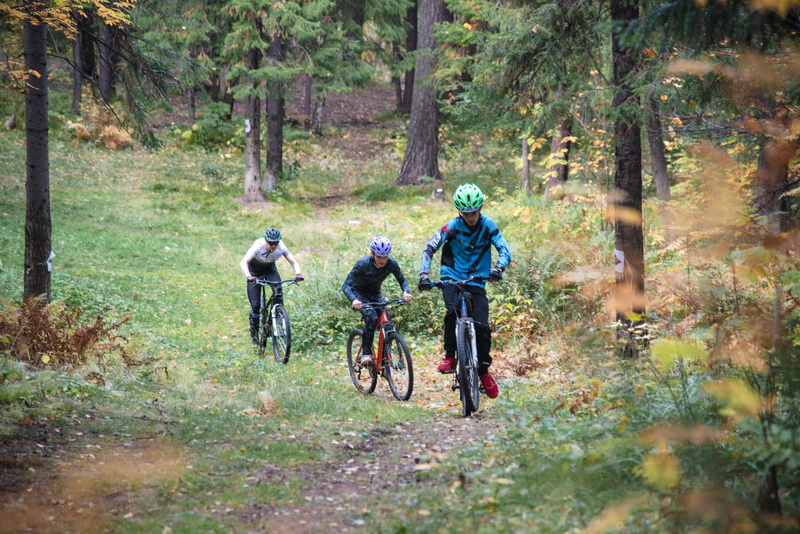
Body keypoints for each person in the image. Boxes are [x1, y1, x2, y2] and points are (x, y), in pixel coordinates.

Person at [417, 183, 512, 399]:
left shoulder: (488, 225)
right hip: (451, 277)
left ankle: (484, 371)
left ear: (480, 209)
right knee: (452, 313)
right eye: (466, 213)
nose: (470, 217)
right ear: (460, 212)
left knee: (482, 328)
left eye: (474, 212)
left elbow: (504, 249)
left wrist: (499, 268)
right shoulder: (452, 226)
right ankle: (450, 356)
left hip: (477, 281)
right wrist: (424, 275)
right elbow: (429, 248)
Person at [342, 236, 413, 366]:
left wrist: (406, 292)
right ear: (372, 254)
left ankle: (387, 357)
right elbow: (346, 285)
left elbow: (402, 280)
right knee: (372, 317)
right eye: (379, 256)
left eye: (385, 257)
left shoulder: (391, 263)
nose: (382, 260)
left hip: (375, 294)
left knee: (387, 323)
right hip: (359, 293)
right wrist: (354, 300)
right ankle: (366, 354)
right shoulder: (363, 264)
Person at [240, 227, 304, 347]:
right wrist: (249, 276)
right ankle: (254, 336)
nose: (273, 246)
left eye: (275, 243)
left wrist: (298, 274)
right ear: (265, 241)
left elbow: (293, 262)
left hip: (270, 270)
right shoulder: (258, 246)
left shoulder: (281, 247)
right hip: (254, 273)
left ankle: (275, 319)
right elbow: (243, 262)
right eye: (270, 243)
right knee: (255, 305)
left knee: (278, 291)